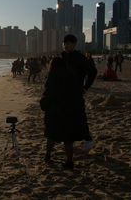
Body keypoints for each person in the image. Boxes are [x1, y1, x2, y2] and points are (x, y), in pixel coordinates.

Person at [40, 34, 97, 170]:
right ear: (63, 44)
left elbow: (93, 72)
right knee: (61, 131)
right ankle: (55, 156)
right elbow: (50, 83)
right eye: (65, 43)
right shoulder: (60, 58)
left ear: (74, 44)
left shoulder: (79, 58)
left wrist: (85, 87)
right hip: (61, 99)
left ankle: (69, 156)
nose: (67, 45)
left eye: (70, 43)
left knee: (66, 130)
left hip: (72, 98)